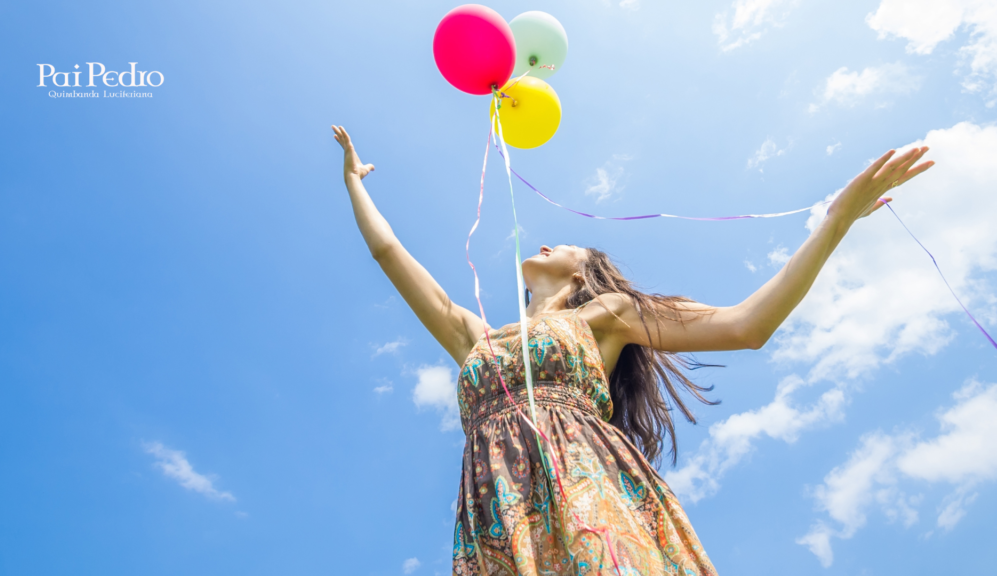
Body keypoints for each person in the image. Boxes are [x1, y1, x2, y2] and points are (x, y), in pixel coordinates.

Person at [331, 125, 933, 575]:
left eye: (563, 243)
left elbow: (748, 324)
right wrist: (355, 185)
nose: (544, 242)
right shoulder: (475, 337)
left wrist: (836, 222)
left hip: (587, 482)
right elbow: (389, 255)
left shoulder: (607, 315)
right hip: (496, 506)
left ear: (585, 271)